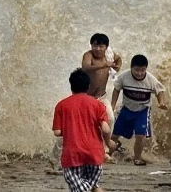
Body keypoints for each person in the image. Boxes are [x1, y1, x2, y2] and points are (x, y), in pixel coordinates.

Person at [50, 34, 123, 169]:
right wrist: (103, 65)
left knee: (110, 118)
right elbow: (85, 67)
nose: (97, 49)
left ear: (106, 47)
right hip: (84, 98)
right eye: (95, 45)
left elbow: (118, 59)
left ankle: (104, 151)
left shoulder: (110, 54)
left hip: (101, 97)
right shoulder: (88, 55)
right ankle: (54, 158)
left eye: (101, 46)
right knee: (71, 128)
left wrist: (116, 67)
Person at [53, 68, 117, 192]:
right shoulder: (98, 105)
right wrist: (109, 143)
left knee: (80, 189)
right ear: (88, 86)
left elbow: (57, 132)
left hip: (72, 155)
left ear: (71, 85)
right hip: (94, 155)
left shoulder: (62, 105)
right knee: (93, 187)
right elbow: (105, 128)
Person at [109, 54, 167, 166]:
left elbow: (160, 90)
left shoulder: (150, 79)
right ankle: (108, 154)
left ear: (146, 69)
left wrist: (161, 103)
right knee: (114, 135)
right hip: (126, 109)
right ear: (131, 68)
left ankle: (137, 158)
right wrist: (112, 104)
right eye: (136, 70)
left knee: (140, 136)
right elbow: (116, 89)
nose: (139, 73)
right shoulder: (124, 76)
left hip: (142, 111)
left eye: (142, 70)